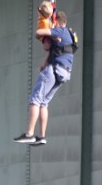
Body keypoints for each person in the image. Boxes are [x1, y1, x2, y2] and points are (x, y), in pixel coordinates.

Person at [14, 12, 77, 146]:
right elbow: (54, 51)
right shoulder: (70, 35)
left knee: (35, 100)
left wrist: (48, 27)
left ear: (57, 21)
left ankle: (29, 134)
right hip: (64, 72)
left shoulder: (59, 30)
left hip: (54, 70)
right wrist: (44, 64)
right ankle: (42, 136)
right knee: (43, 103)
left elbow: (39, 32)